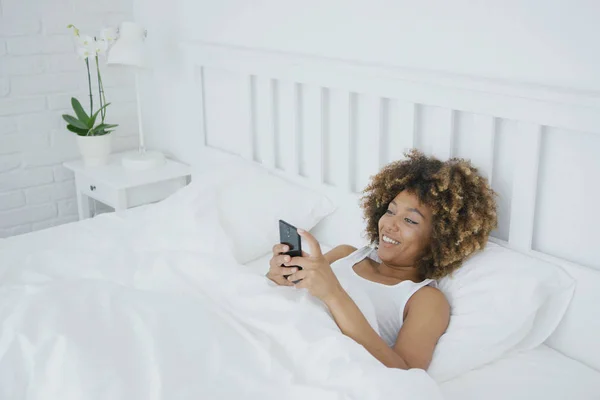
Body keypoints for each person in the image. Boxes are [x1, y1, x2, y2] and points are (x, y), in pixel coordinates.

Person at [266, 149, 498, 370]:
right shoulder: (345, 254)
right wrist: (277, 277)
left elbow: (404, 375)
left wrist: (333, 293)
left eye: (410, 221)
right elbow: (289, 300)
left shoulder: (425, 299)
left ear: (440, 239)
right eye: (390, 211)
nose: (390, 224)